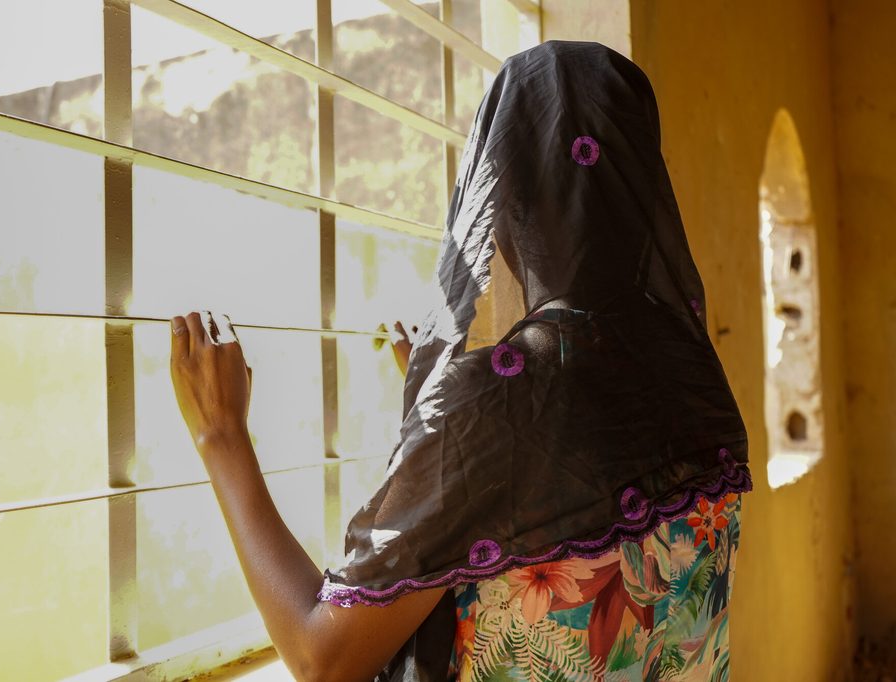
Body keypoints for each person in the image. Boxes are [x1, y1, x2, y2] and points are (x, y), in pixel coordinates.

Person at [169, 40, 751, 682]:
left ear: (503, 196)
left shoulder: (503, 406)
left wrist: (221, 438)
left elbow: (322, 658)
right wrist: (452, 417)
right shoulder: (695, 377)